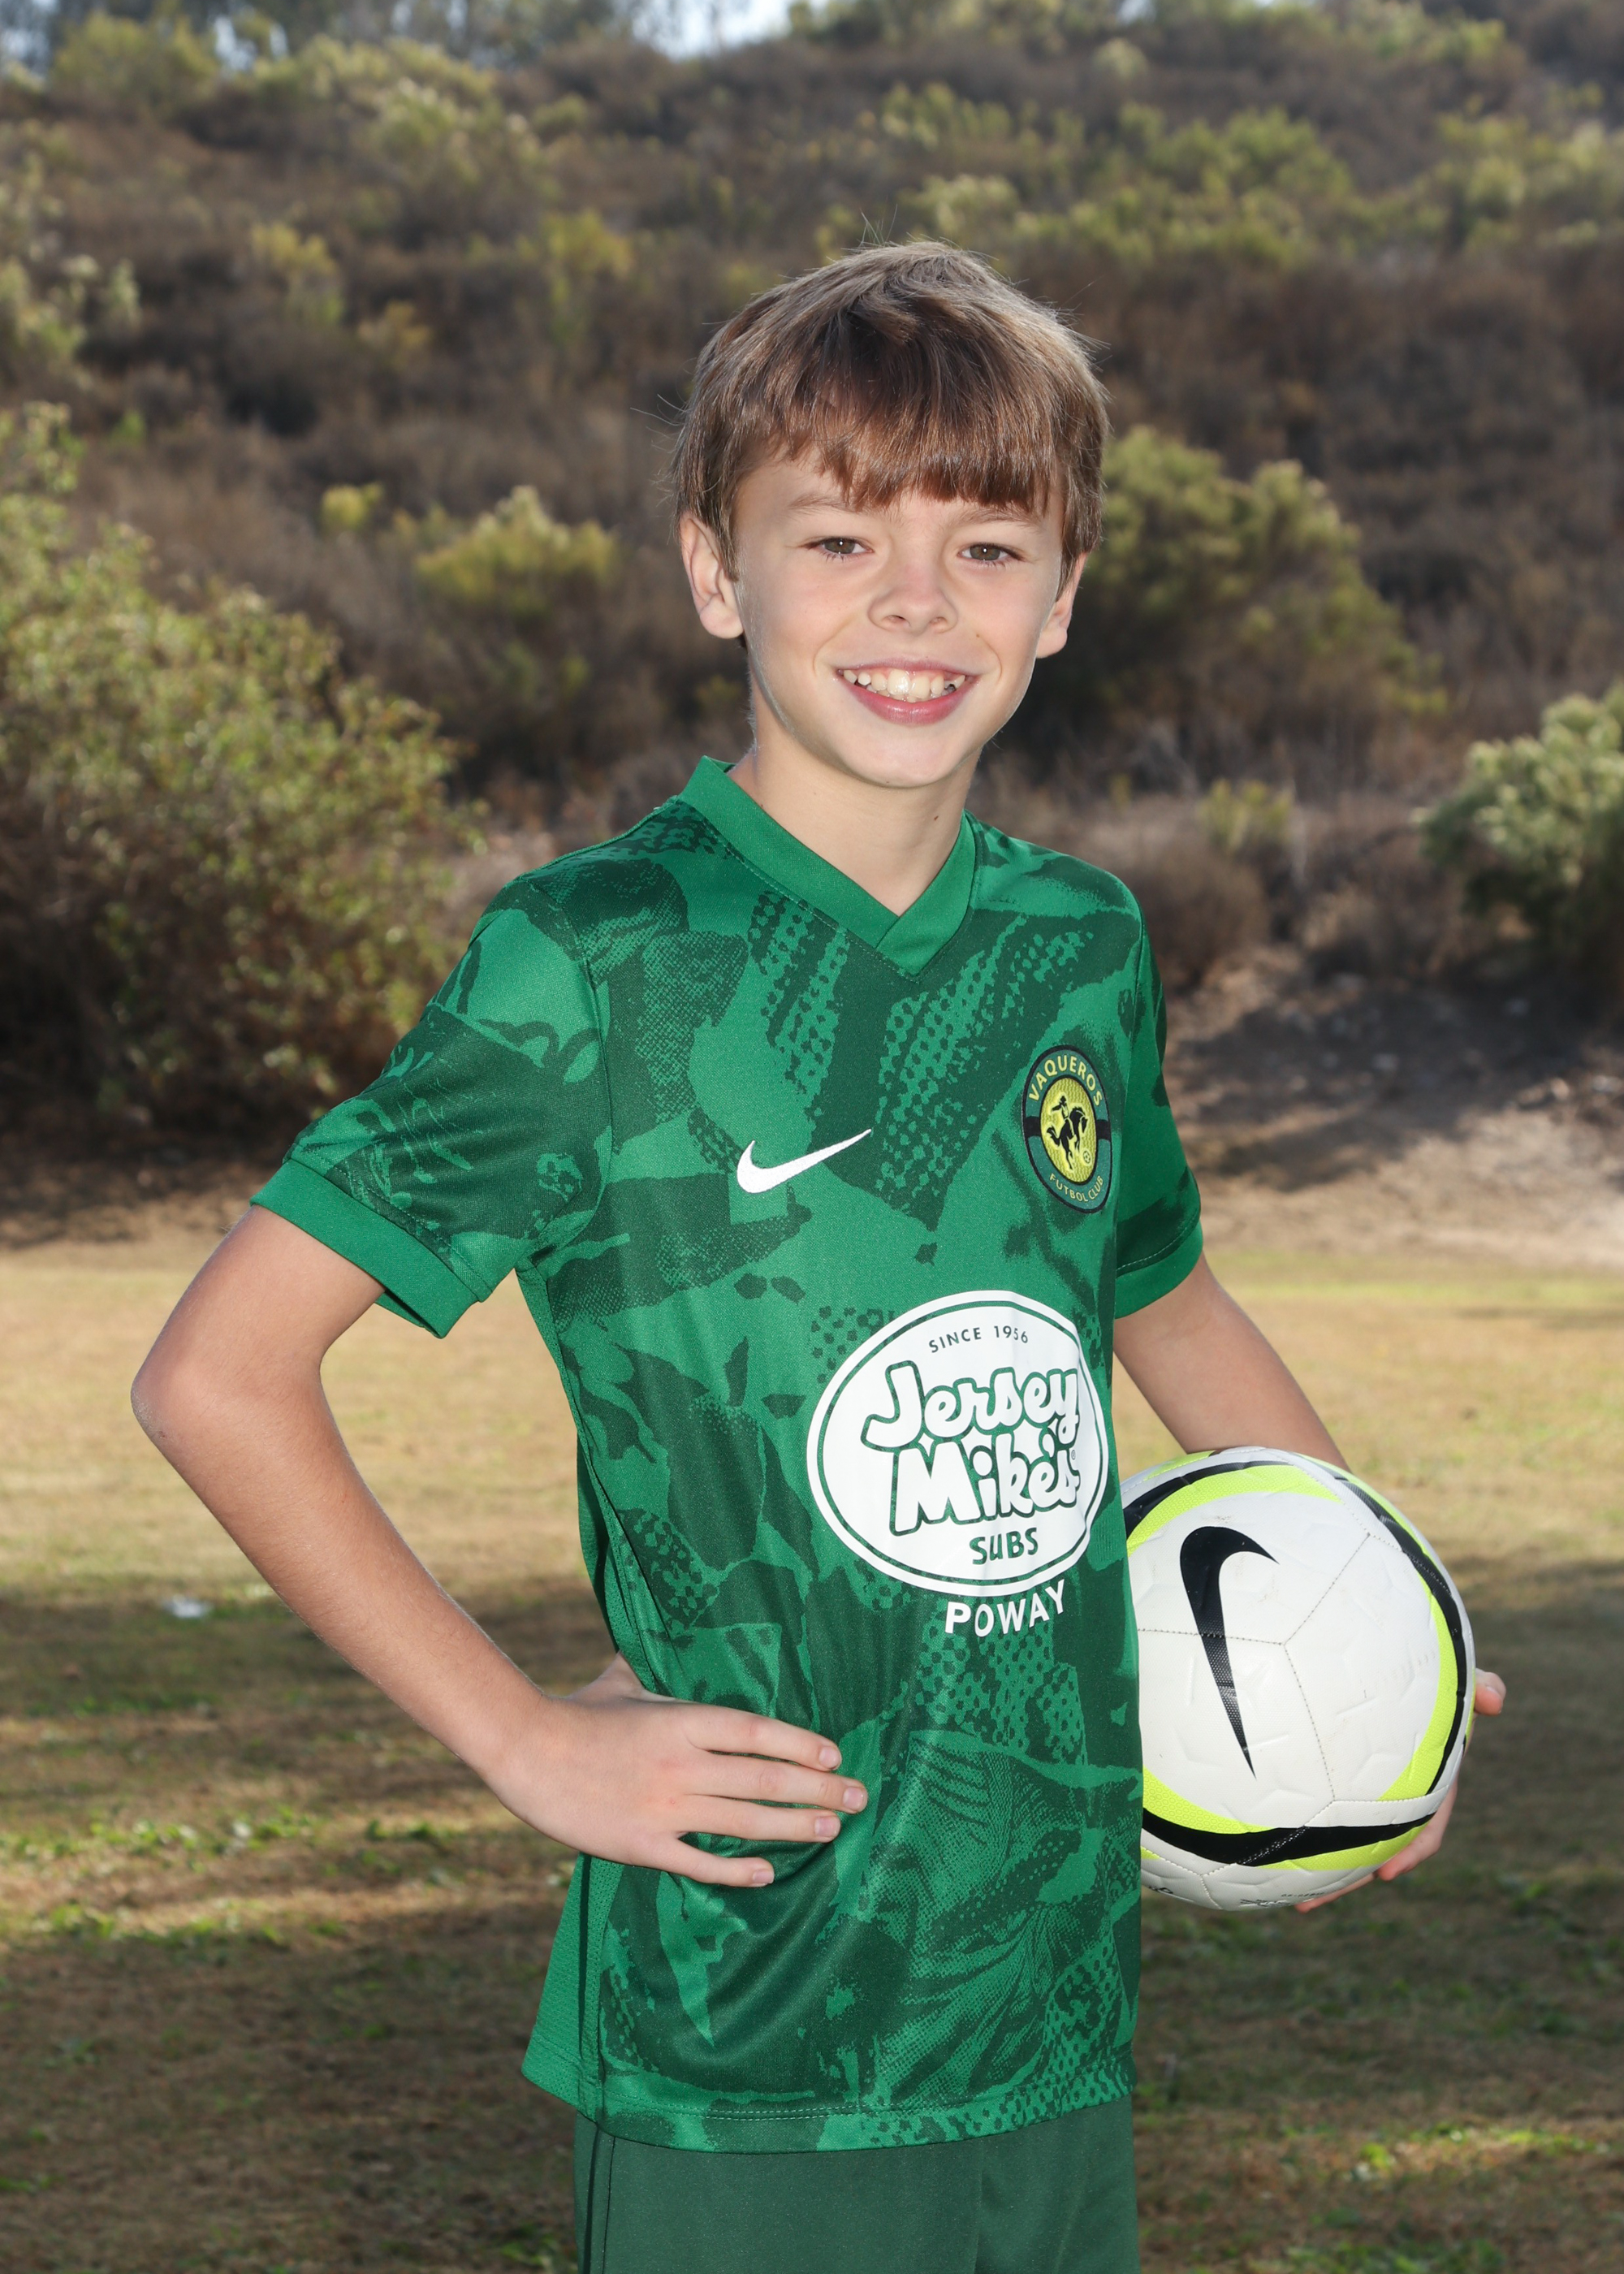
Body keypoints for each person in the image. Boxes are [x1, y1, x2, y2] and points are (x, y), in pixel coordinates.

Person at [133, 241, 1504, 2274]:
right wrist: (521, 1733)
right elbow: (217, 1377)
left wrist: (1377, 1652)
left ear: (1062, 593)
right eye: (841, 538)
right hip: (745, 2018)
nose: (915, 603)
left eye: (985, 546)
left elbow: (1163, 1293)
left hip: (1044, 1989)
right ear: (718, 570)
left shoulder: (1075, 945)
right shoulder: (596, 957)